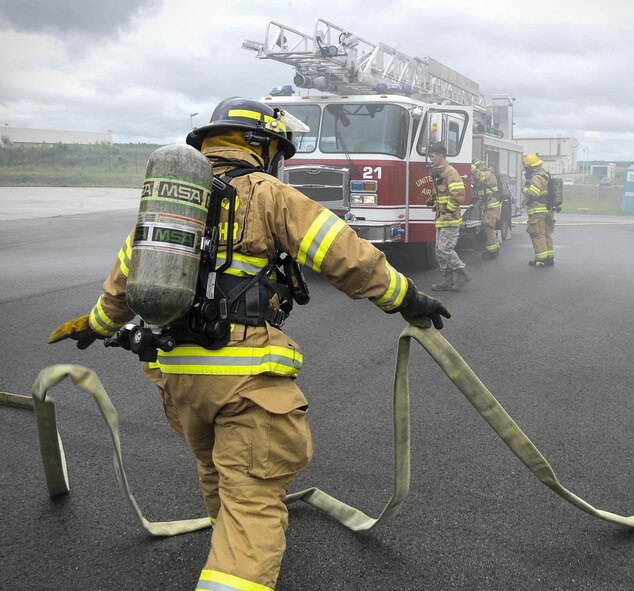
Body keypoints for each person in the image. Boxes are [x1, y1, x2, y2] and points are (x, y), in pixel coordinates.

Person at [47, 97, 450, 591]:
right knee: (253, 499)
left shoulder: (170, 208)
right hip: (246, 380)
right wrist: (407, 298)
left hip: (180, 381)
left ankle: (228, 550)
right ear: (260, 146)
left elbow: (121, 290)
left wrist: (93, 327)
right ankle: (236, 570)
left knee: (218, 475)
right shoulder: (268, 193)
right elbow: (346, 255)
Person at [426, 142, 472, 290]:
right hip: (441, 218)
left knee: (444, 249)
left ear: (440, 156)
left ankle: (463, 272)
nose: (430, 159)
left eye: (432, 157)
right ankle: (449, 282)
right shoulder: (438, 172)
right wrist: (432, 200)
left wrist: (447, 211)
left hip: (449, 219)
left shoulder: (450, 172)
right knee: (439, 251)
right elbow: (440, 192)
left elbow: (458, 195)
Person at [522, 153, 555, 268]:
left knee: (538, 234)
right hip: (547, 210)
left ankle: (541, 260)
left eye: (526, 167)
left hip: (538, 211)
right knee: (546, 234)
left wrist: (524, 189)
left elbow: (533, 193)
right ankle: (550, 258)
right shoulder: (546, 174)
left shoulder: (536, 177)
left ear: (530, 167)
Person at [471, 160, 502, 259]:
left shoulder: (488, 174)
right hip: (488, 205)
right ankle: (495, 249)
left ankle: (492, 252)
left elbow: (480, 177)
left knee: (489, 227)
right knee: (489, 228)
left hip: (491, 205)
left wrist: (472, 169)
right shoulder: (488, 173)